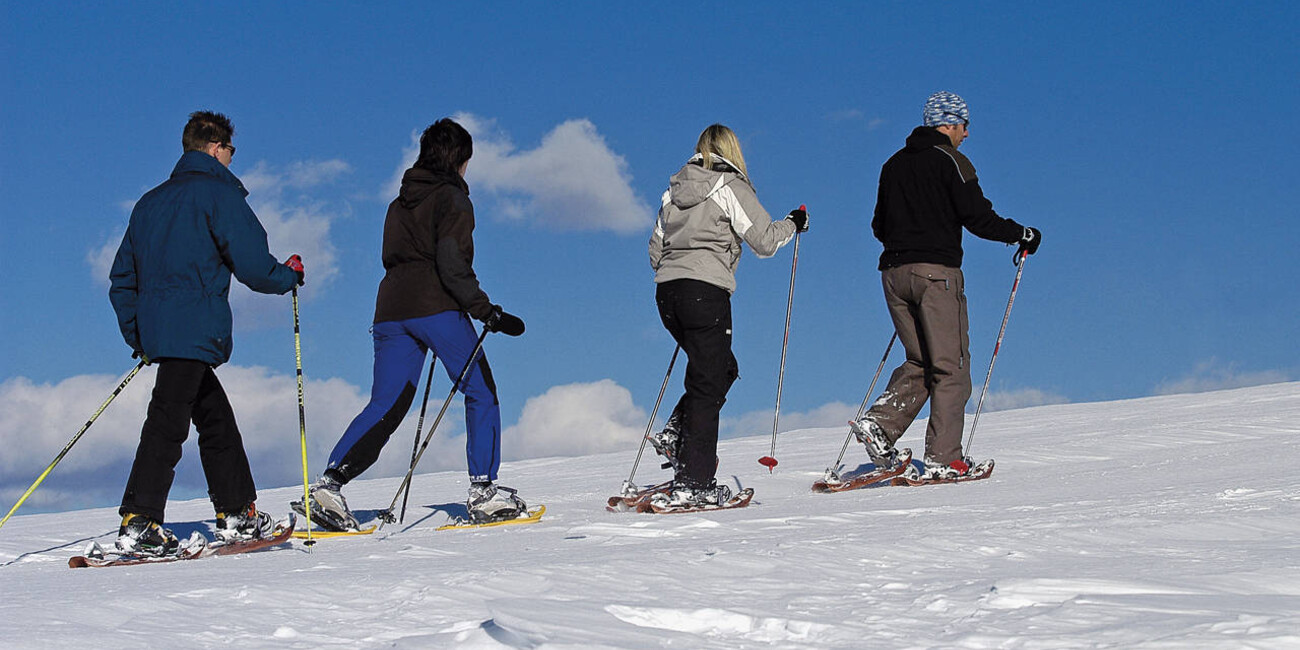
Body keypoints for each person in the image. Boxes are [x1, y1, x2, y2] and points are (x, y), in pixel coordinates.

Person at [299, 118, 526, 530]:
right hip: (436, 306)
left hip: (390, 311)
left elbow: (394, 257)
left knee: (387, 403)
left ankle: (329, 486)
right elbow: (451, 263)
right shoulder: (453, 199)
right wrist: (484, 309)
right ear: (459, 158)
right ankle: (483, 491)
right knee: (480, 392)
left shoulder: (397, 204)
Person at [109, 111, 304, 555]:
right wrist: (288, 277)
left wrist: (139, 335)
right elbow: (253, 264)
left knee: (213, 416)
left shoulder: (149, 203)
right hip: (194, 327)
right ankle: (140, 520)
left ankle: (237, 510)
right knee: (168, 420)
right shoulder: (219, 194)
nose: (233, 159)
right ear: (216, 148)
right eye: (231, 150)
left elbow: (122, 279)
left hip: (165, 333)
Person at [850, 91, 1041, 480]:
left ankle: (880, 425)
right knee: (951, 366)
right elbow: (978, 217)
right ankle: (944, 459)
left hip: (893, 275)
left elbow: (878, 226)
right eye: (964, 125)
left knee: (921, 360)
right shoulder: (953, 162)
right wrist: (1022, 234)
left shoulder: (892, 165)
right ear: (949, 124)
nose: (967, 133)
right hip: (936, 275)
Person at [646, 124, 809, 508]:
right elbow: (765, 242)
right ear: (732, 151)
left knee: (720, 370)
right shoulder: (728, 187)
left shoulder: (673, 191)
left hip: (667, 294)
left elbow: (655, 250)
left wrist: (680, 270)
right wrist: (793, 223)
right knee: (709, 381)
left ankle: (676, 432)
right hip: (704, 292)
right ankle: (695, 481)